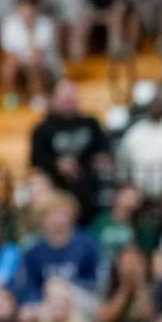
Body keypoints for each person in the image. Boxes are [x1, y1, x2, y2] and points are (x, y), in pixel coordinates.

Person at [30, 80, 112, 225]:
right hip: (57, 190)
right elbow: (35, 159)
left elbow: (105, 148)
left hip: (90, 189)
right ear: (54, 100)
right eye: (65, 99)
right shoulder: (43, 129)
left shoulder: (91, 123)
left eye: (72, 98)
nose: (69, 102)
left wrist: (102, 157)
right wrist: (56, 163)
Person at [15, 193, 100, 306]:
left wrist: (66, 290)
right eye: (52, 214)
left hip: (80, 303)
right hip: (46, 305)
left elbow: (96, 281)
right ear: (41, 218)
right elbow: (28, 287)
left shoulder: (86, 244)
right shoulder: (33, 250)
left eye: (63, 213)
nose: (57, 219)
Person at [0, 0, 62, 110]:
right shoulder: (9, 23)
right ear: (17, 9)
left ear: (35, 9)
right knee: (8, 67)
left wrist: (30, 29)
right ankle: (11, 99)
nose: (26, 12)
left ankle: (38, 99)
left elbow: (38, 53)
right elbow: (9, 54)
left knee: (35, 64)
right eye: (23, 8)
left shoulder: (45, 24)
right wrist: (20, 62)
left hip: (46, 67)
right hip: (21, 65)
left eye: (29, 8)